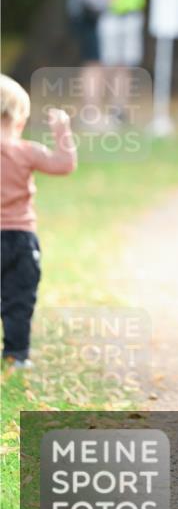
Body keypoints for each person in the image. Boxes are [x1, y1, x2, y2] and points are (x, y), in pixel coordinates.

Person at [1, 75, 77, 369]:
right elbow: (64, 164)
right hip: (21, 240)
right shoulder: (26, 151)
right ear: (19, 119)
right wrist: (62, 132)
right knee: (19, 300)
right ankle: (16, 355)